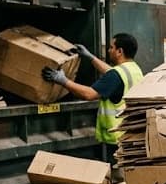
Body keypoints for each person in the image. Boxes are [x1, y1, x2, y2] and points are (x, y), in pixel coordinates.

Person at [41, 33, 143, 165]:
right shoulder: (134, 69)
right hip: (129, 134)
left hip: (117, 139)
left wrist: (63, 80)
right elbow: (111, 72)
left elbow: (89, 94)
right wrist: (90, 57)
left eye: (111, 47)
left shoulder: (116, 75)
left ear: (119, 51)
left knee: (118, 176)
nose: (108, 50)